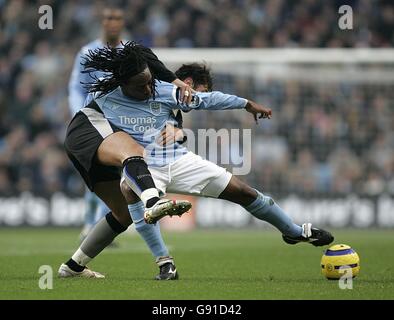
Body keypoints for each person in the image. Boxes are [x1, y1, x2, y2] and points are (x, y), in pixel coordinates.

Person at [58, 43, 334, 279]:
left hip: (179, 162)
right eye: (140, 86)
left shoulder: (164, 90)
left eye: (150, 82)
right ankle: (165, 262)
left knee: (243, 191)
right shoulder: (104, 101)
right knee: (129, 191)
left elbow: (205, 100)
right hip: (143, 165)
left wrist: (246, 103)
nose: (148, 89)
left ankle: (293, 231)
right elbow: (100, 129)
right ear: (124, 85)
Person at [68, 5, 192, 242]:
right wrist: (80, 113)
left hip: (128, 120)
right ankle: (93, 222)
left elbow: (153, 78)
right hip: (98, 119)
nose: (112, 22)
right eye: (108, 18)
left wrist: (176, 94)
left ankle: (130, 213)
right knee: (107, 167)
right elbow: (76, 86)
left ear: (122, 23)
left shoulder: (131, 51)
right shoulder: (87, 52)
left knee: (130, 165)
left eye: (117, 18)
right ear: (102, 22)